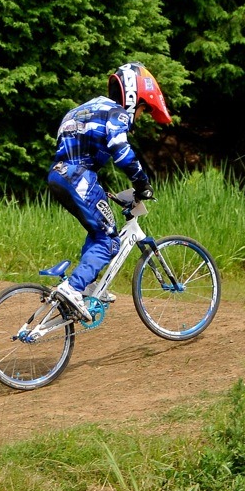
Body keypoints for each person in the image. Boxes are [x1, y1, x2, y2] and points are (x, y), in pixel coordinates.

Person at [47, 62, 172, 320]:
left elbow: (75, 152)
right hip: (78, 177)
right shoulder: (116, 113)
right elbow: (121, 150)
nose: (139, 116)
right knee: (109, 239)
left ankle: (87, 287)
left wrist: (103, 192)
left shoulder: (81, 110)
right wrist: (142, 183)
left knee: (99, 230)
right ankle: (73, 288)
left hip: (57, 175)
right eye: (143, 109)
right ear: (132, 96)